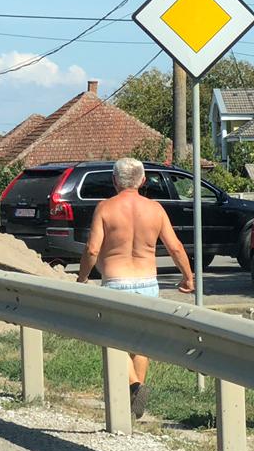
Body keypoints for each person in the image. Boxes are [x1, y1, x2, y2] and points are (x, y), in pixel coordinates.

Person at [78, 157, 195, 421]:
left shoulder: (105, 208)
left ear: (114, 181)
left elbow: (92, 249)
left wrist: (82, 278)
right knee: (140, 345)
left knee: (113, 343)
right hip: (148, 284)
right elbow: (175, 247)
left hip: (116, 284)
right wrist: (188, 278)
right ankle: (134, 402)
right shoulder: (155, 209)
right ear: (143, 181)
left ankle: (134, 388)